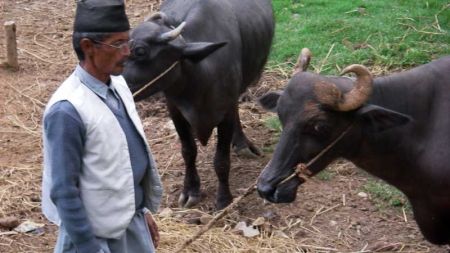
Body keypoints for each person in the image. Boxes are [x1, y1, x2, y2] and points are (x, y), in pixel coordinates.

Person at [41, 1, 163, 252]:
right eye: (118, 44)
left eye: (127, 41)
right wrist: (89, 247)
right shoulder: (68, 110)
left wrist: (140, 210)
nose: (127, 51)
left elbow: (120, 160)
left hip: (129, 227)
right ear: (88, 47)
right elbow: (64, 192)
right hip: (95, 239)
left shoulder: (117, 85)